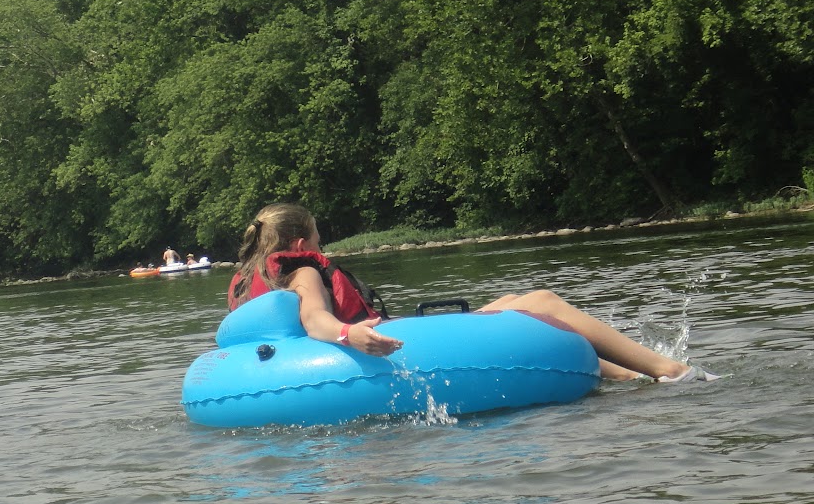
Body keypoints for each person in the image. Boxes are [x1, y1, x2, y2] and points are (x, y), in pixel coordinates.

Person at [229, 202, 718, 382]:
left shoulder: (251, 279)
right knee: (540, 303)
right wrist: (350, 335)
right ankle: (668, 370)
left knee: (510, 307)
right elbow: (316, 320)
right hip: (389, 342)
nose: (321, 247)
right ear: (299, 244)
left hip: (354, 347)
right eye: (317, 239)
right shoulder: (303, 271)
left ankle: (635, 382)